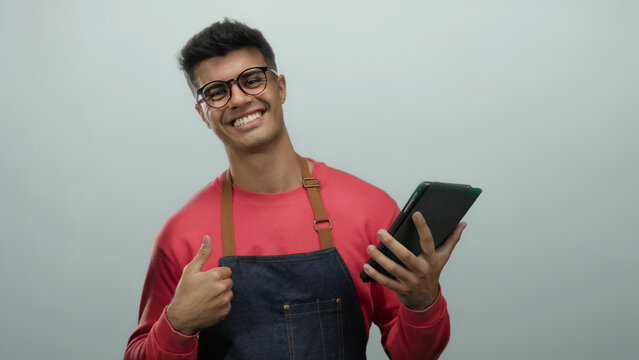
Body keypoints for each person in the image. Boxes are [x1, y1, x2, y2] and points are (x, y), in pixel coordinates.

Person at [125, 18, 467, 360]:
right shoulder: (181, 235)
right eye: (216, 92)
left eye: (252, 80)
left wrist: (423, 303)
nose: (239, 99)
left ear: (281, 87)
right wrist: (177, 325)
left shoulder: (368, 209)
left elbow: (413, 355)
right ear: (203, 114)